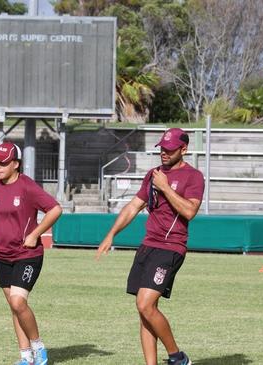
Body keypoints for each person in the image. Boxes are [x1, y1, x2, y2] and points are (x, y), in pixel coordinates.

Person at [95, 128, 204, 365]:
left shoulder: (193, 177)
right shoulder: (153, 174)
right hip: (147, 246)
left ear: (183, 149)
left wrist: (165, 187)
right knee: (145, 312)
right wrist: (111, 234)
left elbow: (189, 211)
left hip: (171, 247)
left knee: (144, 303)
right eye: (162, 148)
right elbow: (133, 206)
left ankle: (178, 357)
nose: (164, 153)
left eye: (170, 149)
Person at [0, 141, 62, 365]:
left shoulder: (27, 187)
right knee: (14, 307)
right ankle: (25, 356)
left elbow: (55, 209)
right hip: (1, 257)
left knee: (18, 302)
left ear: (16, 164)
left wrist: (35, 234)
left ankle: (38, 347)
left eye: (3, 163)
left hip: (27, 255)